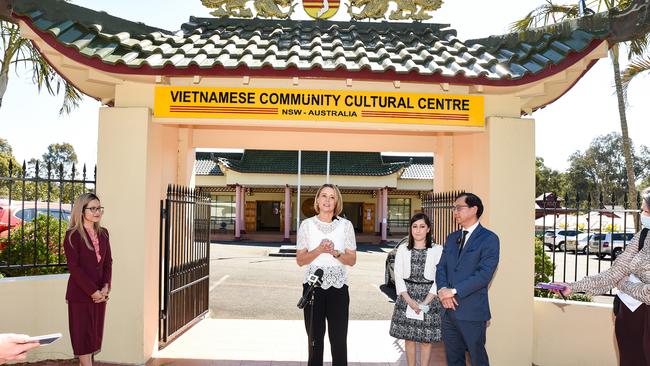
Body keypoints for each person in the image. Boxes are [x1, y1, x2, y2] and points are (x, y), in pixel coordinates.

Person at [554, 187, 650, 366]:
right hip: (631, 317)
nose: (643, 215)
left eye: (646, 211)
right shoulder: (642, 236)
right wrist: (573, 287)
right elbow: (614, 273)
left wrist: (624, 285)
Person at [296, 183, 357, 366]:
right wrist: (319, 249)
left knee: (339, 340)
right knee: (315, 341)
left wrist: (335, 252)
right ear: (317, 200)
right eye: (324, 196)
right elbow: (300, 260)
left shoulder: (346, 225)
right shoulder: (306, 225)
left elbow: (352, 260)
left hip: (338, 289)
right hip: (313, 288)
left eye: (332, 197)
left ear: (337, 201)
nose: (327, 200)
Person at [436, 192, 500, 366]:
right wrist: (442, 290)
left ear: (474, 209)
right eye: (454, 208)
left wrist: (454, 291)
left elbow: (484, 274)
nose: (454, 211)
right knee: (453, 358)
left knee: (477, 358)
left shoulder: (489, 239)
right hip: (448, 311)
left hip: (472, 311)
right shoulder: (451, 238)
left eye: (459, 207)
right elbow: (441, 267)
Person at [389, 212, 443, 366]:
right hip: (407, 296)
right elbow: (398, 276)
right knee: (409, 338)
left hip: (429, 297)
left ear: (428, 229)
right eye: (414, 226)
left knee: (426, 339)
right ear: (410, 229)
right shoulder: (403, 249)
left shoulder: (438, 249)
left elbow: (440, 277)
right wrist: (409, 301)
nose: (418, 230)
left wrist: (425, 302)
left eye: (422, 226)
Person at [64, 193, 112, 366]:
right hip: (80, 294)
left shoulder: (104, 233)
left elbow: (108, 263)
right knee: (83, 338)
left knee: (93, 337)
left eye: (99, 208)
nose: (97, 211)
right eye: (92, 208)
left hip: (101, 294)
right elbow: (74, 268)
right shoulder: (72, 235)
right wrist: (93, 291)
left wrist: (106, 287)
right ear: (81, 210)